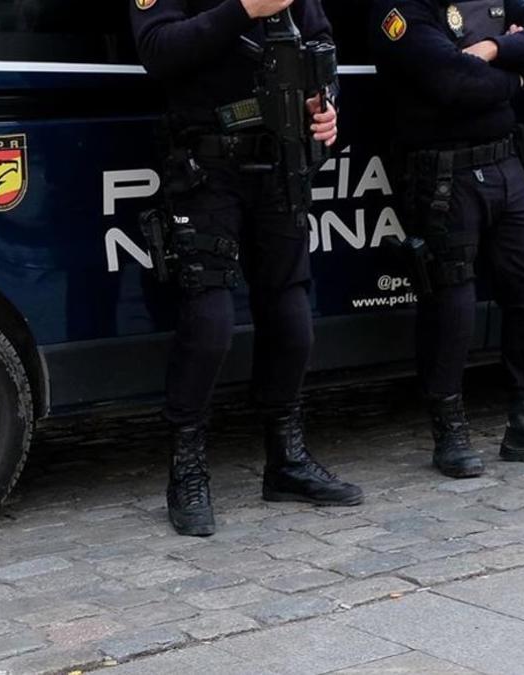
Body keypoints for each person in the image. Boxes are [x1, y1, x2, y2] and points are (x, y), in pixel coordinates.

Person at [131, 0, 363, 537]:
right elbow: (157, 51)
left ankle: (286, 461)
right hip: (206, 163)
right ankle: (187, 469)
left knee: (291, 316)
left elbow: (321, 45)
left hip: (280, 161)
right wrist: (244, 9)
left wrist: (325, 106)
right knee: (209, 321)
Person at [369, 0, 524, 477]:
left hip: (502, 161)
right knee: (451, 303)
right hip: (440, 174)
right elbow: (453, 82)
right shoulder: (399, 8)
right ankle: (449, 434)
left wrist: (495, 47)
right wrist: (519, 75)